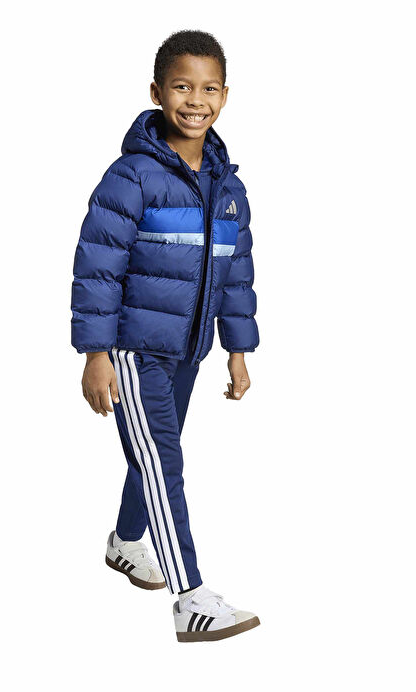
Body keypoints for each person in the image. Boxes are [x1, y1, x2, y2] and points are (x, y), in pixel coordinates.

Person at [70, 30, 260, 642]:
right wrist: (95, 353)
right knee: (163, 461)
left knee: (154, 451)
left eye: (209, 89)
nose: (195, 101)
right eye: (182, 87)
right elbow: (97, 268)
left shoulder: (228, 188)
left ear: (225, 96)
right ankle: (191, 598)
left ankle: (127, 543)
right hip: (134, 348)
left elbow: (236, 275)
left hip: (189, 349)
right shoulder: (132, 177)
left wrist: (237, 350)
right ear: (157, 92)